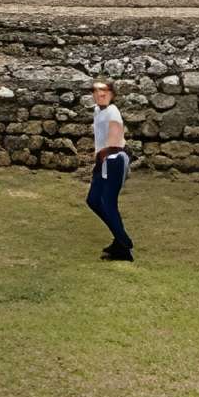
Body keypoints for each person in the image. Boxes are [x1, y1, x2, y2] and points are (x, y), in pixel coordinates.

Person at [84, 80, 133, 262]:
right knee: (94, 200)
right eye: (96, 91)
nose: (99, 95)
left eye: (104, 91)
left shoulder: (113, 112)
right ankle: (121, 239)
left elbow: (113, 142)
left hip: (114, 160)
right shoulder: (98, 111)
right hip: (103, 161)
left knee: (107, 202)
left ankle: (123, 246)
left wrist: (99, 158)